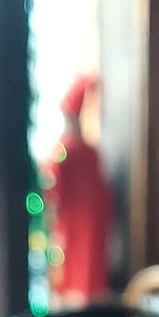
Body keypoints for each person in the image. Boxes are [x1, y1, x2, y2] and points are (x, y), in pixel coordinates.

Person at [44, 73, 114, 304]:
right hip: (74, 229)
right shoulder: (65, 149)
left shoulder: (84, 150)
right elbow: (52, 185)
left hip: (92, 228)